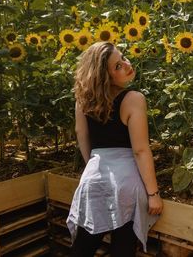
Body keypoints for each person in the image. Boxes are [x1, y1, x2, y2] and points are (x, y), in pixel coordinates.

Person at [67, 41, 163, 257]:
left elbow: (82, 135)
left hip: (93, 178)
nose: (127, 65)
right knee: (122, 248)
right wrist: (153, 193)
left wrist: (92, 165)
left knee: (83, 247)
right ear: (105, 77)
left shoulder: (83, 100)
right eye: (117, 66)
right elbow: (140, 150)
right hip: (126, 183)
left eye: (123, 58)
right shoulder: (133, 99)